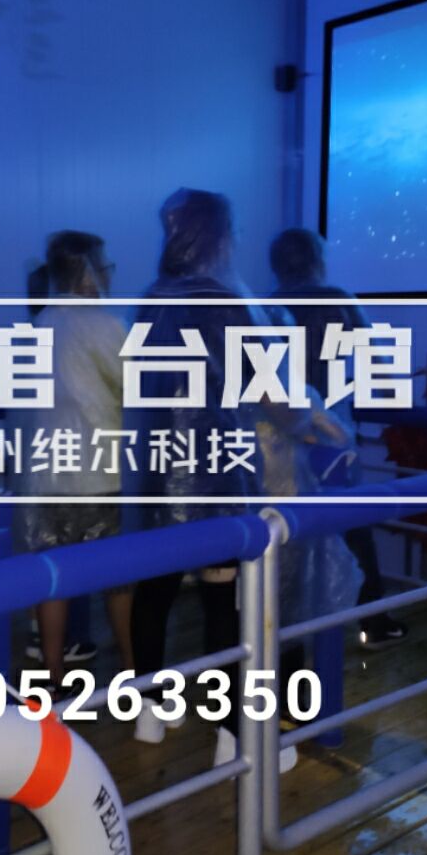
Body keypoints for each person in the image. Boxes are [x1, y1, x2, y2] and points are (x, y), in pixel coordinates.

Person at [125, 189, 302, 766]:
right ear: (218, 237)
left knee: (155, 590)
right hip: (215, 473)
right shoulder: (228, 301)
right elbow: (275, 395)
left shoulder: (151, 299)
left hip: (156, 471)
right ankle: (232, 736)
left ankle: (149, 713)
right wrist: (313, 420)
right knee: (223, 599)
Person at [269, 227, 408, 648]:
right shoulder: (338, 299)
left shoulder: (266, 305)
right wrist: (393, 397)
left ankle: (283, 631)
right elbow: (377, 364)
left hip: (281, 440)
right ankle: (373, 621)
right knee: (353, 525)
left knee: (286, 534)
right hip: (331, 434)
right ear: (317, 260)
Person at [14, 232, 132, 691]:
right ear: (86, 274)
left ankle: (53, 674)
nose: (107, 276)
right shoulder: (108, 325)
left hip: (46, 477)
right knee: (121, 581)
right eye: (104, 268)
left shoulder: (38, 326)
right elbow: (135, 393)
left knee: (53, 580)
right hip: (102, 476)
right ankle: (131, 671)